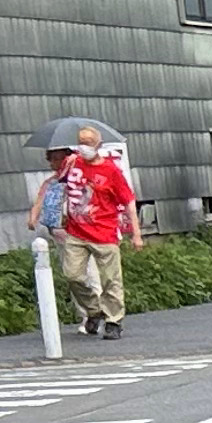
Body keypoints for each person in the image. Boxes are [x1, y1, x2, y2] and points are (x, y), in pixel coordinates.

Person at [39, 136, 138, 339]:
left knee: (111, 279)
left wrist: (136, 233)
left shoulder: (110, 170)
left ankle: (113, 320)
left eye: (88, 144)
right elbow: (57, 183)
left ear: (98, 146)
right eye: (81, 143)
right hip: (76, 232)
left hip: (104, 232)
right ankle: (94, 310)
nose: (84, 148)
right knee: (72, 275)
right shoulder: (73, 163)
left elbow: (128, 201)